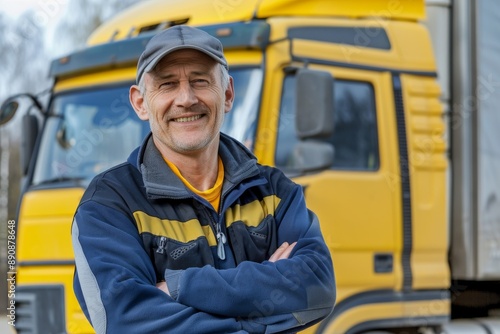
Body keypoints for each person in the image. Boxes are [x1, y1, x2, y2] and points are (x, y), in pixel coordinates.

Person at [72, 25, 336, 333]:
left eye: (200, 81)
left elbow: (317, 288)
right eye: (167, 84)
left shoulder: (276, 192)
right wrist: (258, 316)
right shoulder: (108, 204)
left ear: (226, 94)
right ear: (141, 103)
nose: (185, 99)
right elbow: (125, 320)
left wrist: (179, 286)